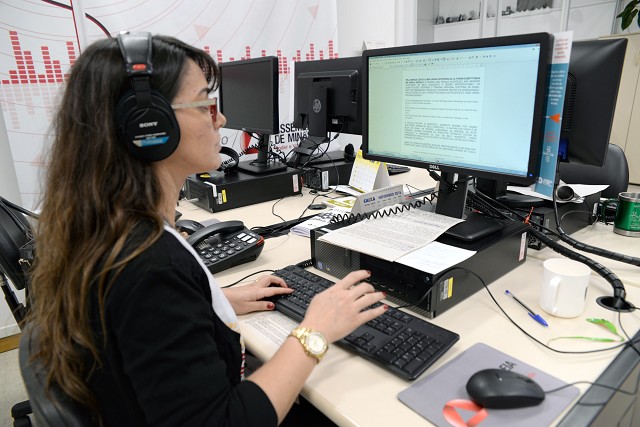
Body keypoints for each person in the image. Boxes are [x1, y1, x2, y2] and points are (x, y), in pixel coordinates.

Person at [26, 31, 387, 426]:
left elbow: (142, 325)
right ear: (148, 125)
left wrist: (209, 303)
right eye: (205, 105)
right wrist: (314, 331)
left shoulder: (106, 226)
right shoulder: (149, 267)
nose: (222, 119)